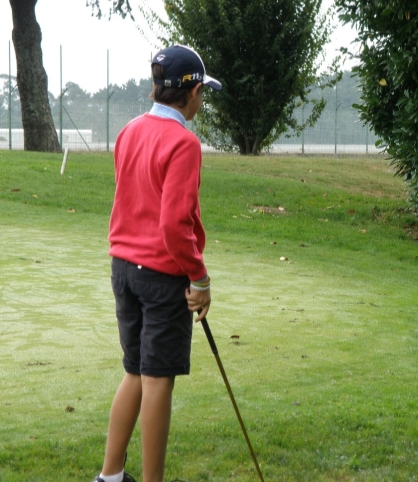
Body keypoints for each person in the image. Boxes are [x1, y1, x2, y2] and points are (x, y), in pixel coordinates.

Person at [93, 45, 222, 482]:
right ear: (192, 92)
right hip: (162, 274)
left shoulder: (129, 130)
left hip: (123, 268)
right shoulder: (185, 142)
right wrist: (199, 277)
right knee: (158, 379)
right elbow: (173, 224)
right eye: (202, 93)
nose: (202, 101)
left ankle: (110, 476)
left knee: (135, 370)